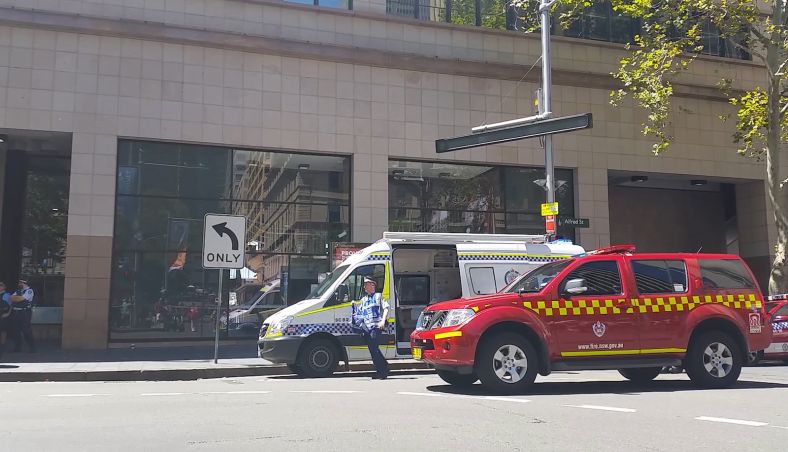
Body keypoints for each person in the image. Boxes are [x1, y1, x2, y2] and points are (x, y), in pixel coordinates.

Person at [352, 277, 389, 380]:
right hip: (367, 329)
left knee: (373, 347)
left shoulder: (378, 296)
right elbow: (359, 314)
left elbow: (386, 308)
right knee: (373, 349)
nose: (364, 286)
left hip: (376, 326)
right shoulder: (363, 300)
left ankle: (382, 372)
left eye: (366, 284)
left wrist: (383, 321)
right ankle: (383, 367)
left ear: (372, 285)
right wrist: (354, 305)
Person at [9, 279, 35, 353]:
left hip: (25, 312)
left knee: (26, 330)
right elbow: (11, 298)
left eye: (20, 282)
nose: (19, 284)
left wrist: (17, 298)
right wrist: (17, 298)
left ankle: (32, 348)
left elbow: (21, 299)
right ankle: (17, 348)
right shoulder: (18, 291)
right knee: (16, 331)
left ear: (24, 283)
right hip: (16, 312)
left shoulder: (29, 291)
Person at [0, 282, 12, 359]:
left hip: (3, 316)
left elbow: (11, 305)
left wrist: (8, 313)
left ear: (4, 287)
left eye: (1, 285)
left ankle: (2, 348)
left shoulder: (6, 295)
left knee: (3, 332)